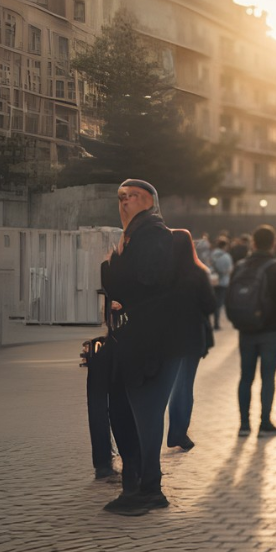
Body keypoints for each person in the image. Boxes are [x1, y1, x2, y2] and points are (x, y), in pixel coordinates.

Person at [99, 179, 184, 516]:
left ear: (149, 201)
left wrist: (111, 265)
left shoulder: (152, 234)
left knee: (142, 416)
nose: (124, 203)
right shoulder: (137, 234)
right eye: (120, 197)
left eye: (132, 196)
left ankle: (148, 488)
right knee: (125, 413)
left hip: (150, 343)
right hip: (139, 340)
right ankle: (138, 485)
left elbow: (143, 281)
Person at [228, 225, 276, 438]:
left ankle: (243, 425)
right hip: (271, 331)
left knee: (245, 378)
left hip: (245, 330)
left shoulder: (240, 266)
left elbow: (230, 296)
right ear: (274, 243)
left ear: (253, 243)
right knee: (268, 378)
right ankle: (265, 423)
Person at [166, 229, 216, 453]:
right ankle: (178, 432)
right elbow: (210, 306)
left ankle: (164, 432)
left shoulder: (160, 272)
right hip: (192, 336)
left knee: (167, 386)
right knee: (184, 386)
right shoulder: (197, 272)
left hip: (165, 336)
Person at [209, 237, 233, 330]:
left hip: (213, 280)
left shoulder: (212, 255)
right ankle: (216, 323)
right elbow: (229, 270)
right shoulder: (227, 256)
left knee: (214, 301)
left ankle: (212, 321)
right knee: (219, 303)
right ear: (225, 246)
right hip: (223, 282)